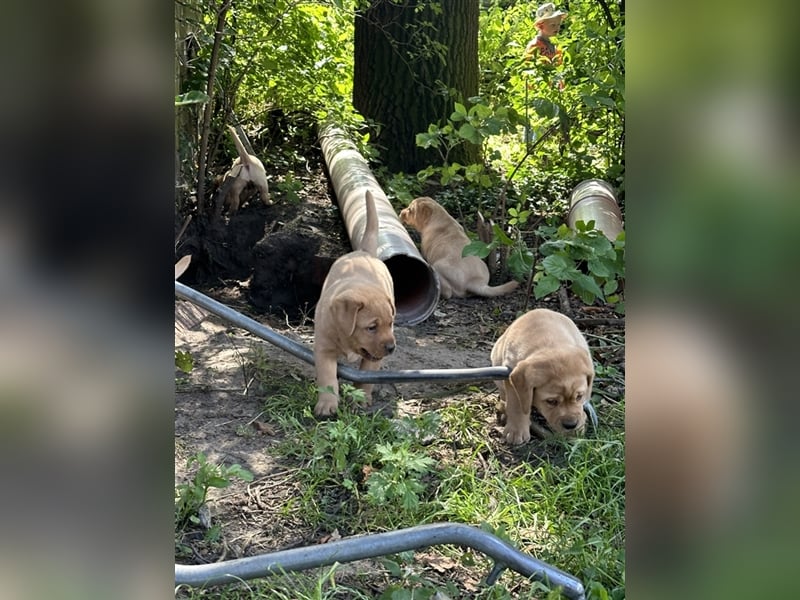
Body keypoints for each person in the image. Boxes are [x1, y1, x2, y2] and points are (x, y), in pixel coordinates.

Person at [523, 3, 568, 68]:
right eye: (553, 25)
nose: (557, 28)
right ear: (540, 26)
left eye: (558, 24)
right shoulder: (534, 45)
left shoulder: (556, 44)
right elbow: (527, 67)